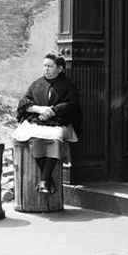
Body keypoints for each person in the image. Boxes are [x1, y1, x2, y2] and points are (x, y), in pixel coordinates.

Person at [13, 53, 81, 194]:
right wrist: (39, 109)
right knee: (32, 137)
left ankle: (44, 180)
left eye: (50, 66)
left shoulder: (67, 85)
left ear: (60, 68)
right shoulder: (37, 84)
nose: (46, 69)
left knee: (55, 138)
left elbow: (72, 104)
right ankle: (46, 180)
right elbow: (24, 102)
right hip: (37, 120)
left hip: (58, 121)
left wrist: (53, 111)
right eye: (44, 66)